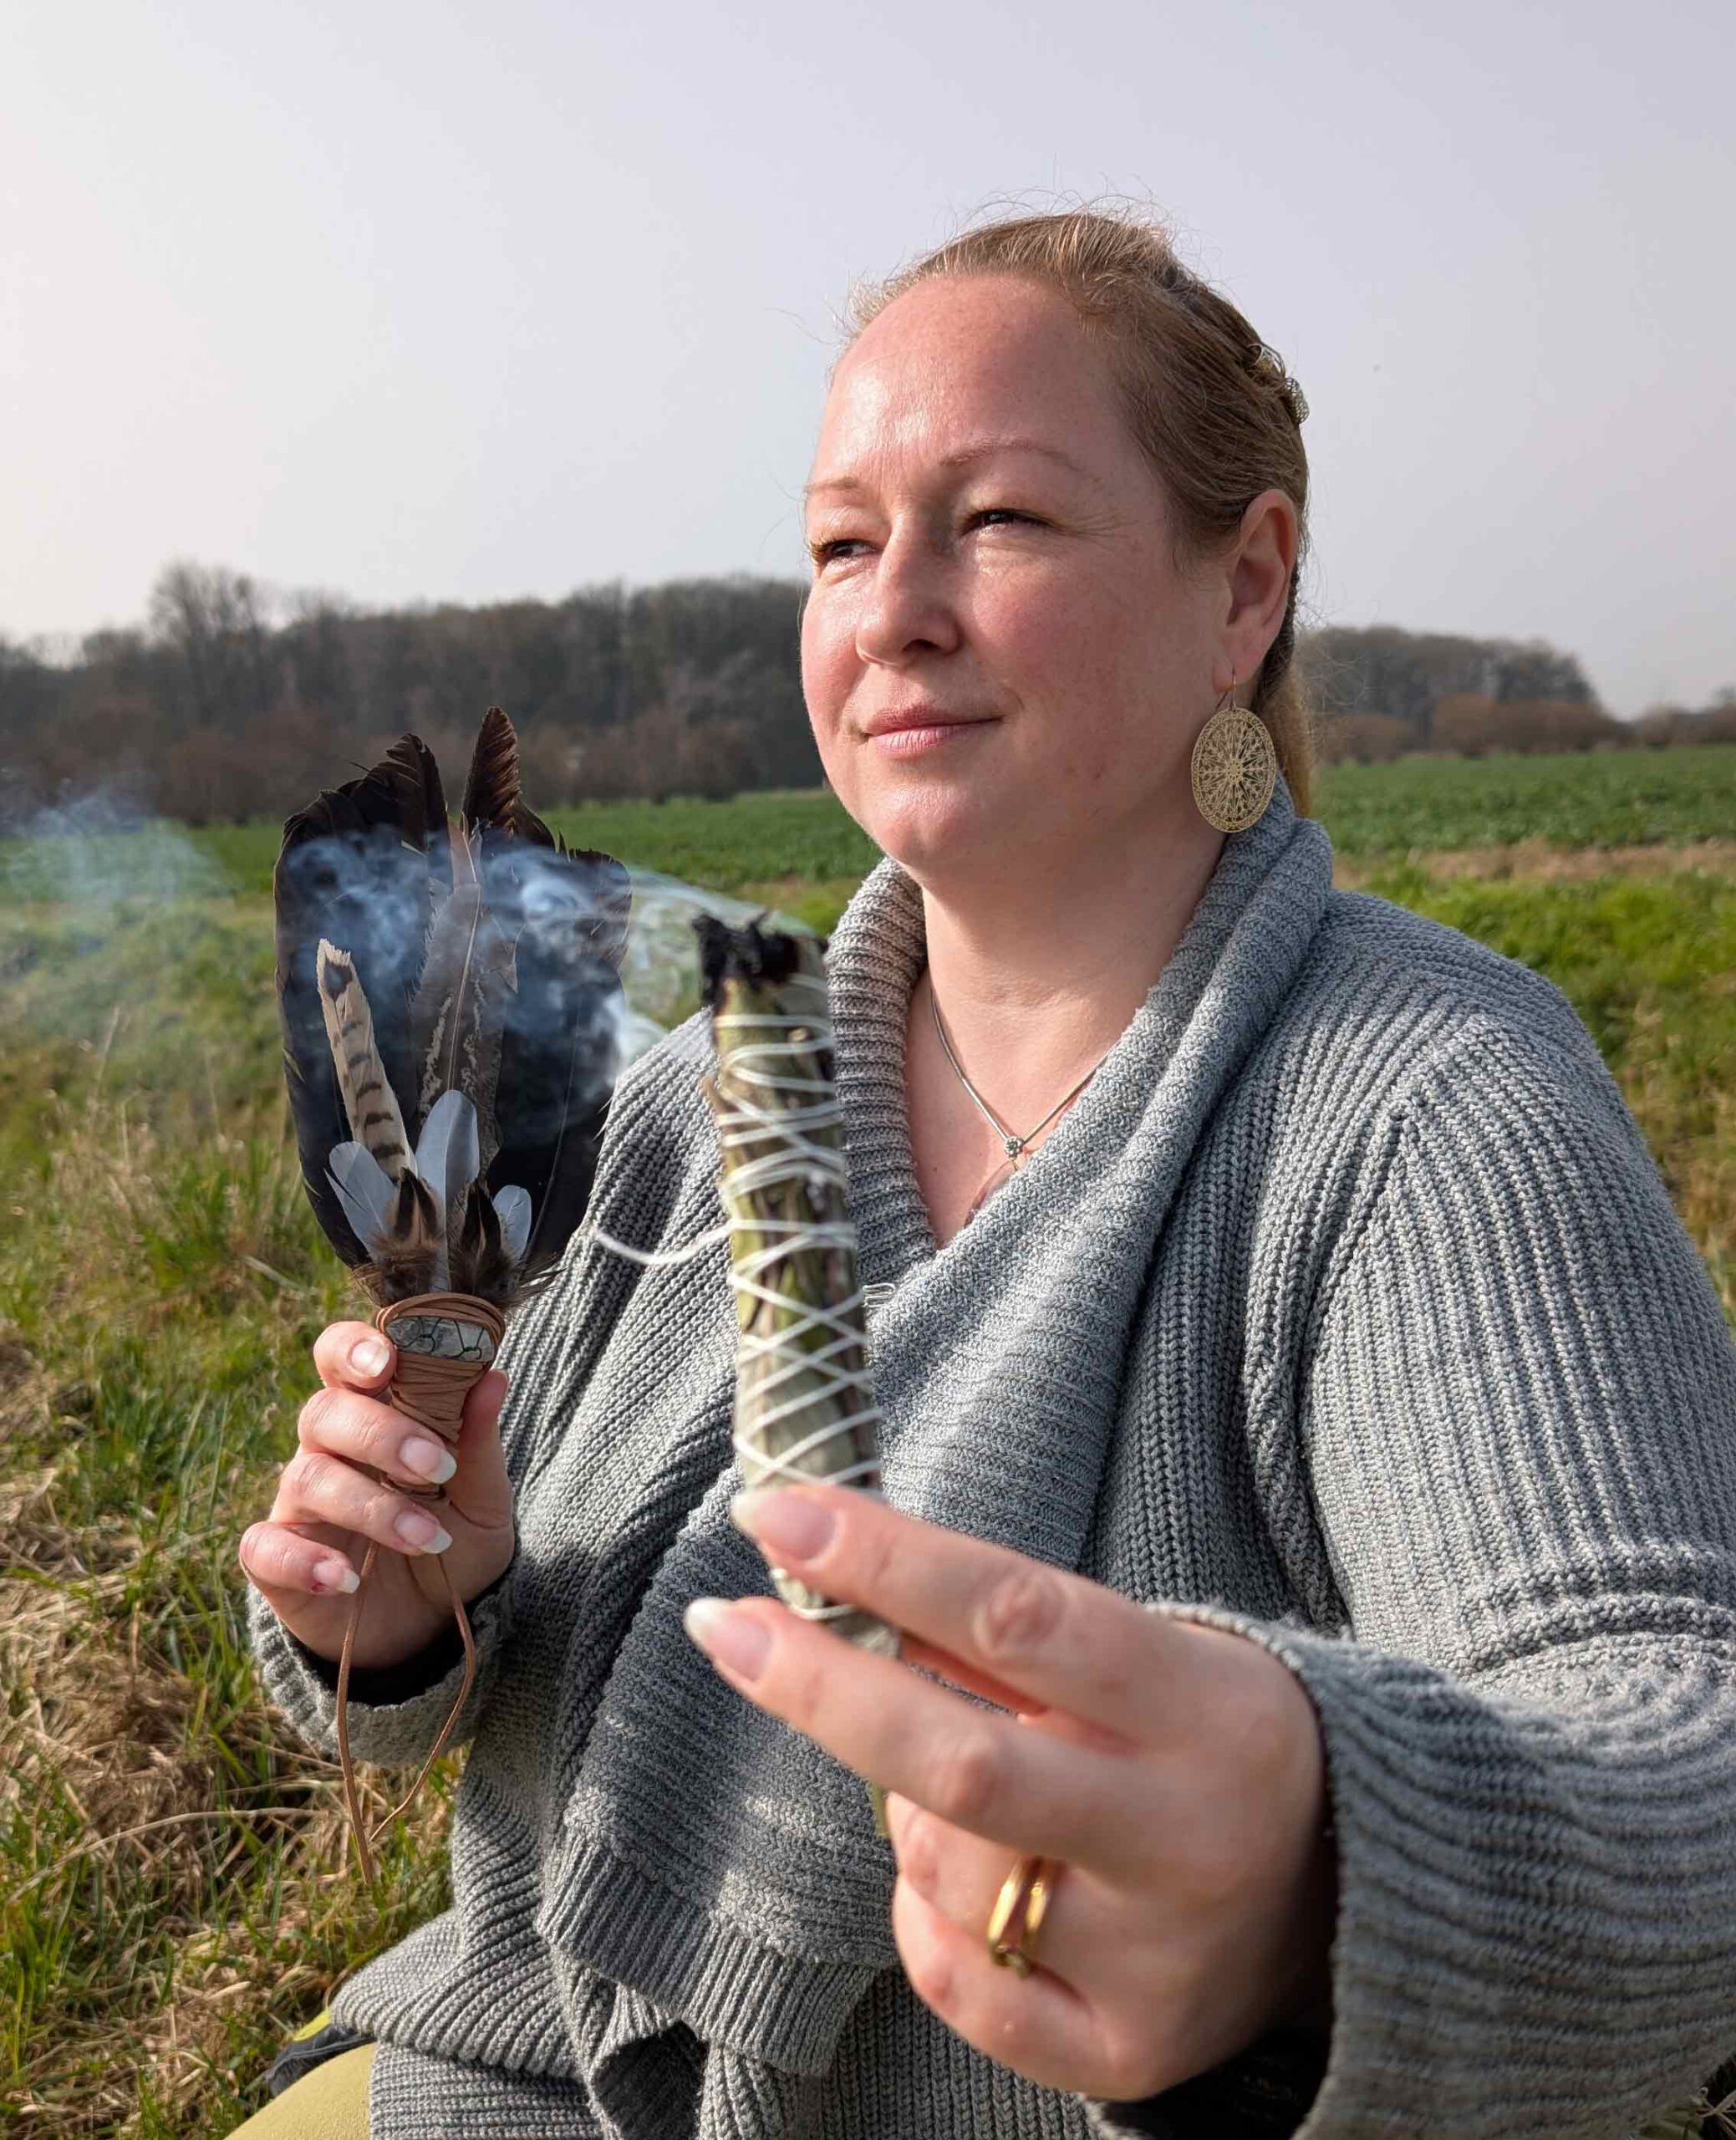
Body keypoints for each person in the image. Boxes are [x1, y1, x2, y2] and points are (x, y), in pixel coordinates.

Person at [234, 205, 1736, 2139]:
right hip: (512, 2080)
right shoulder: (697, 1102)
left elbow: (1682, 1735)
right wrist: (416, 1616)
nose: (891, 612)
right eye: (842, 543)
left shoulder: (1420, 1099)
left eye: (1000, 522)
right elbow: (505, 1708)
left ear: (1244, 585)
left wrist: (1319, 1870)